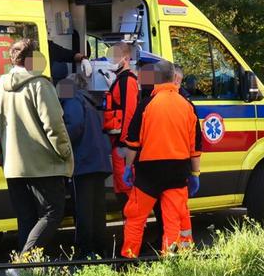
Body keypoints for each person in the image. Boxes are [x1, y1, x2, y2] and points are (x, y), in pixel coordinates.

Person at [0, 38, 74, 276]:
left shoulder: (0, 88)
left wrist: (3, 159)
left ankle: (28, 270)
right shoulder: (40, 85)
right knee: (52, 213)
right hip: (44, 164)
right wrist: (65, 153)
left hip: (13, 166)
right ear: (32, 59)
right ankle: (24, 263)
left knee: (26, 217)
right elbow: (54, 125)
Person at [120, 59, 201, 258]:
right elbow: (195, 147)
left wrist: (128, 167)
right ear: (174, 78)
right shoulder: (187, 106)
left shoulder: (146, 105)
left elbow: (132, 143)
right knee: (173, 220)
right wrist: (195, 173)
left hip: (148, 173)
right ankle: (171, 261)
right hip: (178, 171)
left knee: (136, 218)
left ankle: (128, 260)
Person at [57, 74, 112, 258]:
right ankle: (100, 248)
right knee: (97, 210)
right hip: (98, 162)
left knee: (82, 210)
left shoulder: (73, 100)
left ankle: (85, 251)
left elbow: (74, 126)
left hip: (82, 163)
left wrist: (61, 147)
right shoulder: (91, 102)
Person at [102, 42, 139, 196]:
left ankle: (132, 219)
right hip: (118, 141)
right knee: (120, 186)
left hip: (123, 143)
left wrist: (125, 142)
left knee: (126, 188)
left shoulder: (128, 81)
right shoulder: (120, 79)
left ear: (126, 58)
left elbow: (130, 112)